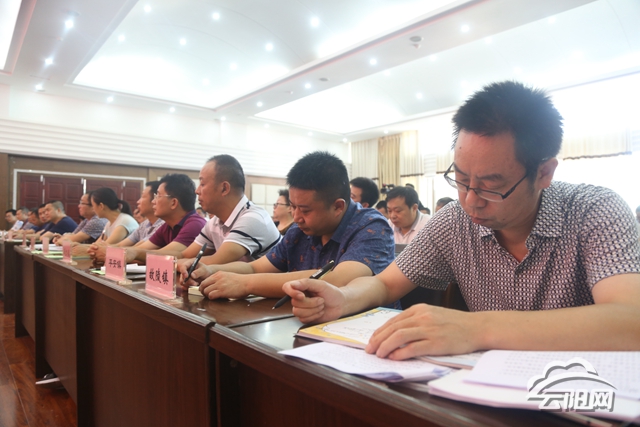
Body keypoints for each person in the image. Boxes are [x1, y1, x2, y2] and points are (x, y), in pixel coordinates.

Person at [283, 81, 640, 358]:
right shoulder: (456, 221)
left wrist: (476, 328)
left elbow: (631, 320)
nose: (470, 200)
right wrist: (342, 298)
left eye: (491, 186)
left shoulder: (594, 210)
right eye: (462, 179)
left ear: (544, 172)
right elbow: (386, 285)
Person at [182, 151, 394, 300]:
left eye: (305, 210)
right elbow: (255, 267)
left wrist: (245, 284)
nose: (297, 217)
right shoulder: (299, 231)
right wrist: (210, 270)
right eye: (293, 206)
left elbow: (338, 279)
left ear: (338, 206)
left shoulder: (372, 226)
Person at [174, 155, 281, 271]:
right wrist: (164, 260)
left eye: (203, 184)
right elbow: (185, 255)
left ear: (224, 188)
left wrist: (172, 263)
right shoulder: (214, 222)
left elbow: (215, 262)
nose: (197, 191)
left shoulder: (253, 218)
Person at [118, 174, 205, 264]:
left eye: (158, 196)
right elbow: (139, 250)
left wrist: (134, 254)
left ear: (173, 203)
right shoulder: (167, 226)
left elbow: (163, 257)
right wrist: (128, 254)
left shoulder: (195, 224)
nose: (153, 201)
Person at [88, 181, 166, 263]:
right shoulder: (144, 224)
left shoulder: (162, 224)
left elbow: (135, 250)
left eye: (143, 197)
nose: (138, 201)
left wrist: (106, 251)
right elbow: (120, 245)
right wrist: (98, 249)